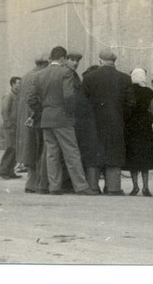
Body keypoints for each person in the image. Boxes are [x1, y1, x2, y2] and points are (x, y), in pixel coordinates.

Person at [27, 46, 96, 196]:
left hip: (47, 118)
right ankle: (81, 186)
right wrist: (69, 112)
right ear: (63, 58)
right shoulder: (66, 72)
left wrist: (43, 109)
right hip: (63, 118)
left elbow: (30, 99)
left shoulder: (39, 75)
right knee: (72, 153)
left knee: (52, 154)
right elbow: (69, 96)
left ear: (51, 57)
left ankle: (54, 186)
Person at [82, 48, 133, 195]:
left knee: (94, 153)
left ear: (100, 61)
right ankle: (113, 188)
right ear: (114, 62)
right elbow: (130, 103)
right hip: (116, 122)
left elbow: (82, 104)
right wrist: (121, 117)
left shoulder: (89, 77)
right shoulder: (125, 78)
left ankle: (93, 186)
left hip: (93, 123)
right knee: (114, 153)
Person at [17, 52, 50, 194]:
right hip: (36, 117)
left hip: (25, 118)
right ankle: (37, 183)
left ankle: (30, 183)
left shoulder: (25, 76)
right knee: (40, 149)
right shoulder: (41, 76)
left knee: (30, 150)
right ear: (45, 64)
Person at [124, 68, 153, 196]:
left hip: (131, 125)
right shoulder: (149, 91)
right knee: (144, 157)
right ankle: (146, 187)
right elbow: (151, 108)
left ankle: (135, 187)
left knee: (133, 157)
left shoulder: (128, 90)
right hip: (144, 126)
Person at [0, 76, 22, 180]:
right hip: (10, 128)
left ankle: (10, 171)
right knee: (10, 148)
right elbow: (4, 111)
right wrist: (8, 124)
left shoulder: (18, 96)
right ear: (12, 84)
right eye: (17, 83)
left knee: (16, 150)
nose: (19, 85)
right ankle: (3, 171)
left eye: (20, 83)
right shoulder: (9, 96)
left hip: (17, 127)